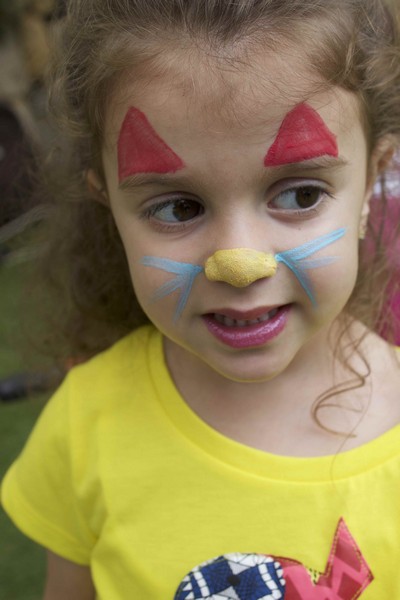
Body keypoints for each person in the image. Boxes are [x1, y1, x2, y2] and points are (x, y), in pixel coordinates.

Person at [2, 0, 400, 598]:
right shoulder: (84, 428)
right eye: (177, 207)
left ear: (374, 180)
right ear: (108, 205)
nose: (239, 263)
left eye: (298, 196)